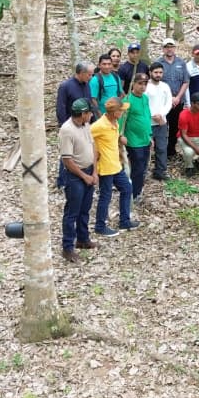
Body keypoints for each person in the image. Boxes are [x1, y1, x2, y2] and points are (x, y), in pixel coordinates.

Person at [57, 98, 98, 263]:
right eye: (89, 113)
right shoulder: (67, 130)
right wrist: (84, 176)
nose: (90, 116)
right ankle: (67, 247)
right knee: (72, 212)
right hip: (75, 176)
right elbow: (67, 160)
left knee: (85, 209)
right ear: (82, 114)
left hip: (89, 170)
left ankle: (83, 238)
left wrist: (95, 171)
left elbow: (93, 146)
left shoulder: (86, 125)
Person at [90, 98, 137, 238]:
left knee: (127, 189)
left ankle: (124, 221)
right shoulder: (99, 125)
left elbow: (112, 137)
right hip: (105, 167)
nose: (123, 112)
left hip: (116, 164)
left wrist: (120, 137)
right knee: (106, 196)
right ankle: (100, 226)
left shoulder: (115, 122)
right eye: (121, 110)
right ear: (115, 112)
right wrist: (94, 158)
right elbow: (86, 138)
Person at [121, 74, 153, 202]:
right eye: (140, 83)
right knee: (137, 168)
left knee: (143, 167)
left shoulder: (145, 98)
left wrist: (150, 135)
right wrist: (120, 135)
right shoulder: (127, 100)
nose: (142, 86)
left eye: (145, 84)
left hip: (145, 139)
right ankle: (133, 194)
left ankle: (138, 191)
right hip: (133, 141)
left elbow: (147, 116)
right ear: (133, 84)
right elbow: (121, 120)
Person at [158, 38, 189, 160]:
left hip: (178, 101)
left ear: (175, 48)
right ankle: (160, 150)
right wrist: (169, 97)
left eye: (171, 46)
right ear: (163, 48)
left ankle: (171, 149)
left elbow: (186, 81)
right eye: (167, 47)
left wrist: (178, 97)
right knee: (162, 125)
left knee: (175, 126)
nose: (169, 49)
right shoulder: (159, 63)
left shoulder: (181, 63)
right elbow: (156, 82)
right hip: (163, 101)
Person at [145, 62, 173, 182]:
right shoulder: (145, 86)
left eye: (160, 72)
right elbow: (144, 104)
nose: (158, 75)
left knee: (162, 148)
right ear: (150, 73)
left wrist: (161, 115)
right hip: (148, 123)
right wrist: (153, 115)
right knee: (146, 148)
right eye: (156, 72)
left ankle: (160, 171)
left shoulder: (165, 86)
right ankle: (142, 172)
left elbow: (169, 102)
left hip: (162, 122)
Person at [87, 53, 124, 120]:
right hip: (103, 115)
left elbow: (120, 93)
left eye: (109, 64)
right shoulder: (95, 80)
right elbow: (93, 99)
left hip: (116, 115)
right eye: (104, 64)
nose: (107, 66)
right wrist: (99, 115)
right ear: (99, 65)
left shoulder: (115, 76)